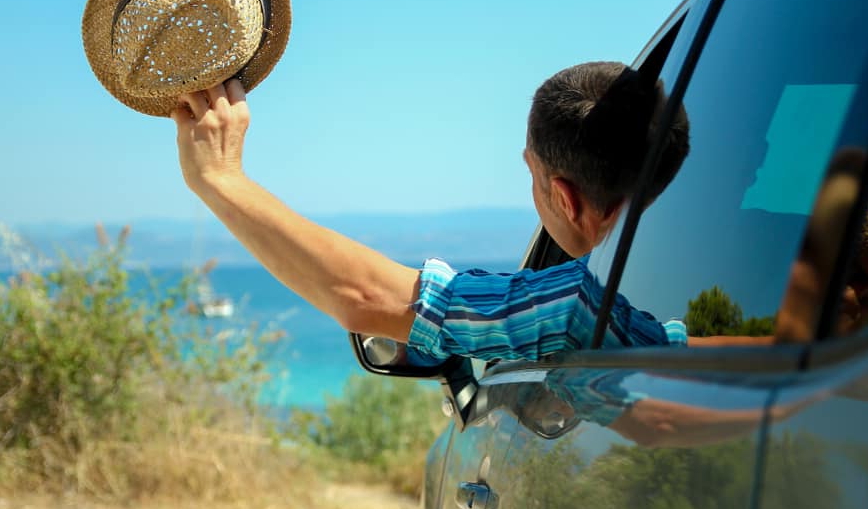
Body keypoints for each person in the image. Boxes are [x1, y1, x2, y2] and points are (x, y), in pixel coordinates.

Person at [172, 62, 691, 363]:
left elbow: (366, 295)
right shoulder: (677, 326)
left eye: (529, 173)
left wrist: (220, 179)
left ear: (565, 198)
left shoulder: (575, 307)